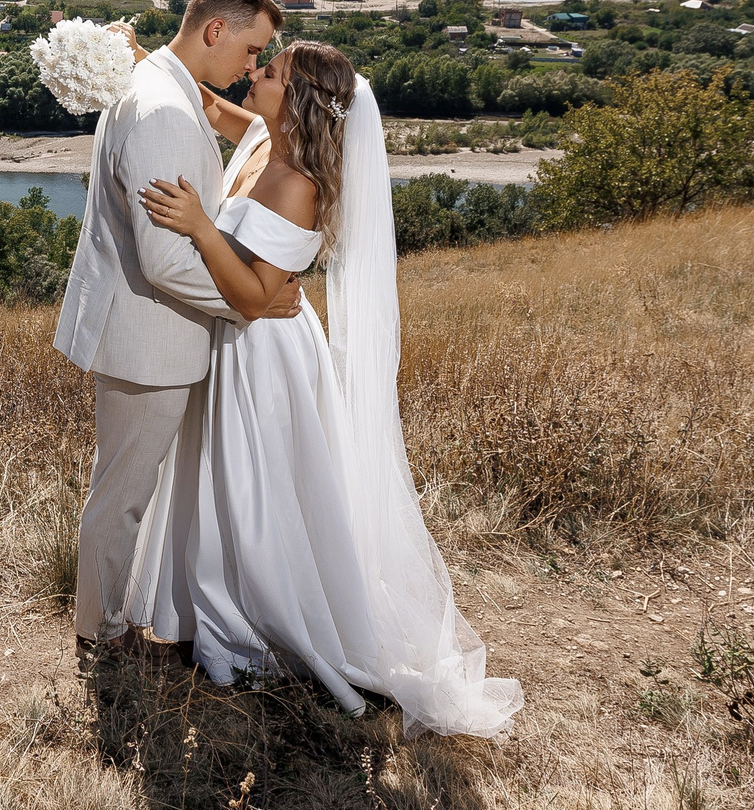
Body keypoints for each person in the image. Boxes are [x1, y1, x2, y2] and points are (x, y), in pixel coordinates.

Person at [129, 38, 520, 736]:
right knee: (234, 484)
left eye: (271, 72)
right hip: (244, 340)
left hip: (264, 351)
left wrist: (196, 225)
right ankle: (215, 603)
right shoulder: (258, 134)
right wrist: (142, 61)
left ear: (301, 101)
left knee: (259, 486)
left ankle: (260, 619)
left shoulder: (297, 181)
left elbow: (252, 296)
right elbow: (213, 108)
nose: (256, 72)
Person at [51, 0, 301, 655]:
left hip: (145, 332)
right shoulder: (163, 108)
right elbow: (164, 260)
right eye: (252, 49)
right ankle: (99, 635)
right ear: (215, 30)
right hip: (146, 337)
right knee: (123, 495)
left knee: (127, 488)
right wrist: (253, 299)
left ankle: (117, 613)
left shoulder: (159, 82)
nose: (253, 66)